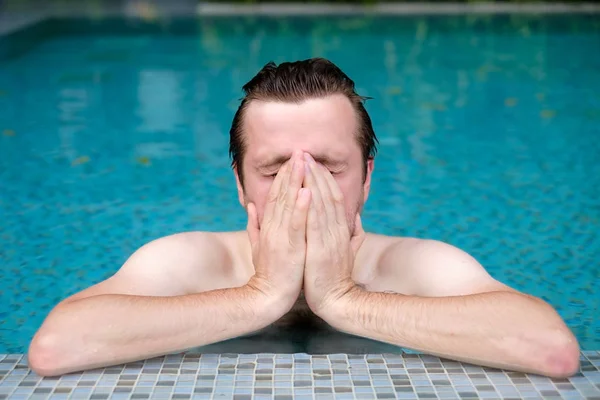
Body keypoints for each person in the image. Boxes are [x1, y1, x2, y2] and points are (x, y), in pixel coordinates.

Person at [28, 58, 580, 378]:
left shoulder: (414, 265)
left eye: (328, 168)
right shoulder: (190, 260)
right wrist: (261, 294)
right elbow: (56, 347)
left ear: (367, 177)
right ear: (239, 182)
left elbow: (551, 348)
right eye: (274, 172)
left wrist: (344, 297)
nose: (303, 190)